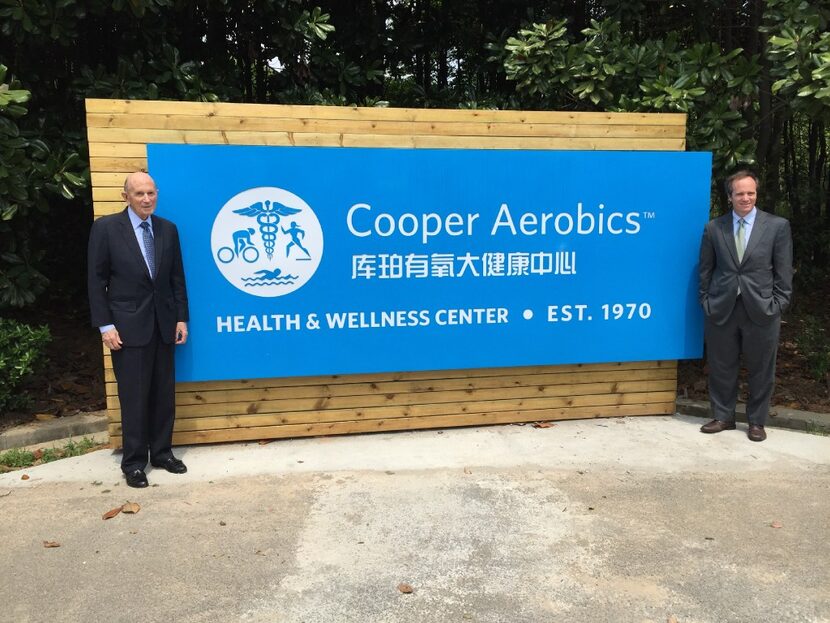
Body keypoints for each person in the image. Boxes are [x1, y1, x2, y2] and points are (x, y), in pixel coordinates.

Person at [88, 171, 190, 487]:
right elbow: (96, 281)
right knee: (133, 397)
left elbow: (176, 279)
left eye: (150, 193)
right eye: (139, 194)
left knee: (163, 395)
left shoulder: (167, 230)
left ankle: (161, 453)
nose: (146, 199)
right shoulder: (106, 229)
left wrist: (181, 318)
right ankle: (134, 463)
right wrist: (106, 325)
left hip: (163, 325)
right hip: (127, 328)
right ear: (126, 197)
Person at [697, 170, 793, 442]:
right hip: (722, 308)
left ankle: (756, 422)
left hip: (762, 309)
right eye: (740, 193)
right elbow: (706, 270)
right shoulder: (715, 228)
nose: (746, 198)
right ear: (730, 197)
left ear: (756, 194)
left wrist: (778, 303)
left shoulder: (776, 226)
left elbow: (784, 272)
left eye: (750, 192)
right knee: (721, 366)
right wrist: (706, 300)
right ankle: (723, 417)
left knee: (762, 369)